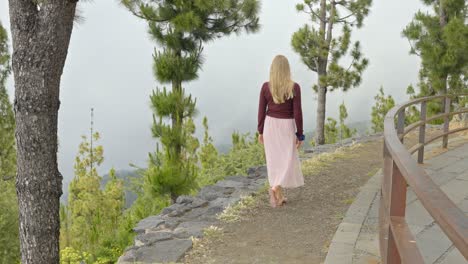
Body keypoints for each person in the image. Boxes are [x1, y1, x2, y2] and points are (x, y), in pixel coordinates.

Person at [257, 55, 305, 208]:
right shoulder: (294, 87)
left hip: (270, 125)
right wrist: (300, 133)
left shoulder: (266, 87)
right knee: (288, 159)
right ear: (287, 69)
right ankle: (276, 189)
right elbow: (298, 112)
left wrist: (260, 131)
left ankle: (278, 194)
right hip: (286, 126)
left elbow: (261, 111)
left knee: (274, 161)